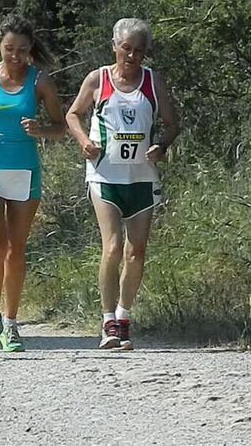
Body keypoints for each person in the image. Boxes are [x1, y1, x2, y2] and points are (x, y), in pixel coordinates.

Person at [66, 18, 180, 350]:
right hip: (104, 175)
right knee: (113, 247)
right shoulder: (97, 79)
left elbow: (172, 123)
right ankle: (108, 323)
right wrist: (84, 141)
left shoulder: (152, 82)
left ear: (145, 54)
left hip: (141, 178)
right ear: (114, 47)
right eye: (126, 49)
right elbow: (73, 114)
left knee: (136, 251)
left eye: (138, 52)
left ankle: (124, 316)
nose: (131, 57)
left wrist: (162, 145)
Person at [0, 15, 66, 352]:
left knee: (16, 249)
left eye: (21, 49)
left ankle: (12, 323)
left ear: (30, 48)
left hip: (24, 168)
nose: (14, 55)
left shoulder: (40, 82)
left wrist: (40, 130)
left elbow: (61, 126)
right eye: (8, 49)